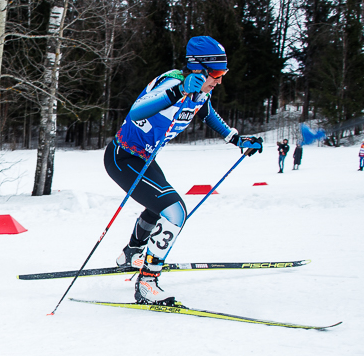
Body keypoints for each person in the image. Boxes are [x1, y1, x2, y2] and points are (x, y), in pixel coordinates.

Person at [104, 36, 261, 305]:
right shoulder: (174, 82)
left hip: (143, 159)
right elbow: (136, 111)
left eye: (223, 74)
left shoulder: (202, 91)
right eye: (216, 73)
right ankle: (147, 283)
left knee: (159, 206)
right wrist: (176, 93)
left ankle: (131, 252)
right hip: (123, 157)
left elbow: (207, 112)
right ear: (198, 68)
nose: (219, 80)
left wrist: (236, 139)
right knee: (175, 211)